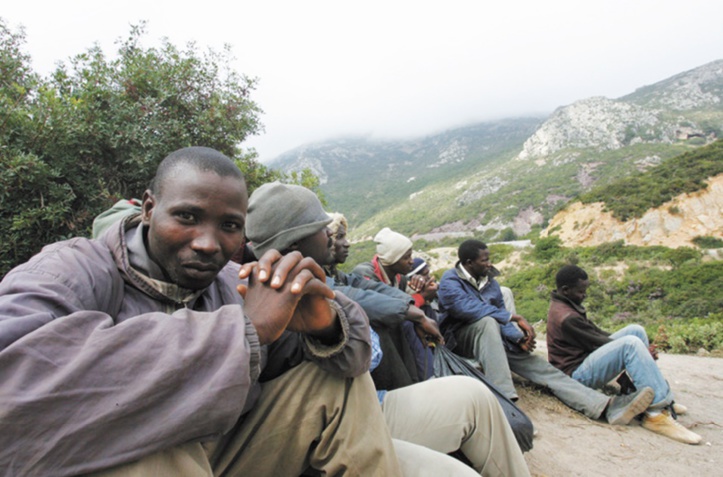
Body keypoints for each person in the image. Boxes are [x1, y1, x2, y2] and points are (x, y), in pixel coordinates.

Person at [0, 147, 404, 476]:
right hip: (119, 461)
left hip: (223, 456)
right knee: (156, 449)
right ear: (148, 209)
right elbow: (14, 382)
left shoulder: (233, 281)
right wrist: (244, 329)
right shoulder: (71, 270)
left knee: (334, 382)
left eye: (229, 226)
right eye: (187, 217)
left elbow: (338, 360)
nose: (208, 243)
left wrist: (326, 328)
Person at [245, 182, 532, 477]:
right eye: (322, 229)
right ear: (294, 243)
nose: (330, 235)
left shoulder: (327, 276)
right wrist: (410, 311)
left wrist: (412, 309)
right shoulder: (280, 292)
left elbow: (369, 293)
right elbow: (368, 350)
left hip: (366, 406)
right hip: (335, 428)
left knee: (475, 395)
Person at [437, 239, 655, 426]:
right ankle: (505, 402)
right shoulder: (450, 281)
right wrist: (513, 318)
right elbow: (464, 308)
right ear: (468, 263)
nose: (489, 263)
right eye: (484, 260)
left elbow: (500, 315)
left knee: (545, 370)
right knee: (487, 321)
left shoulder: (490, 282)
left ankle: (604, 406)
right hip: (461, 340)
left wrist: (518, 339)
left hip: (493, 340)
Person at [547, 264, 702, 444]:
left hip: (584, 361)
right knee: (630, 344)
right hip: (576, 376)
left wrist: (643, 349)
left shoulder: (565, 303)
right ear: (566, 290)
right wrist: (642, 351)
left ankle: (645, 392)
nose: (584, 295)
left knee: (635, 331)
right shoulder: (567, 317)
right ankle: (655, 413)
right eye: (581, 291)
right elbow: (597, 342)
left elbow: (595, 333)